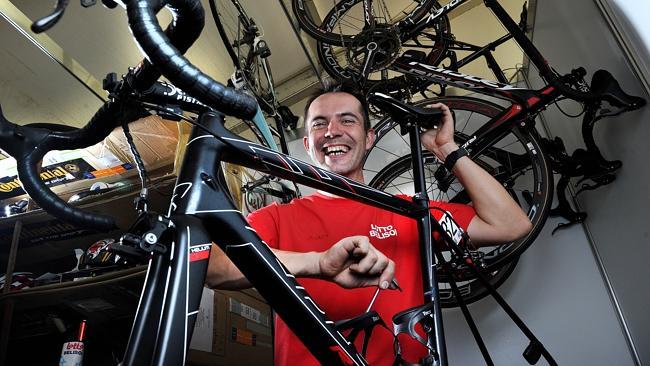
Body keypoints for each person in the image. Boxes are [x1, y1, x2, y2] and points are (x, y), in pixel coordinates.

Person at [206, 83, 532, 365]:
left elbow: (510, 224)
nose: (332, 130)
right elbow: (213, 268)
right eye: (319, 124)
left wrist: (445, 148)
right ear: (307, 145)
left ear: (369, 137)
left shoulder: (408, 211)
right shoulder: (276, 217)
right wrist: (317, 264)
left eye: (347, 120)